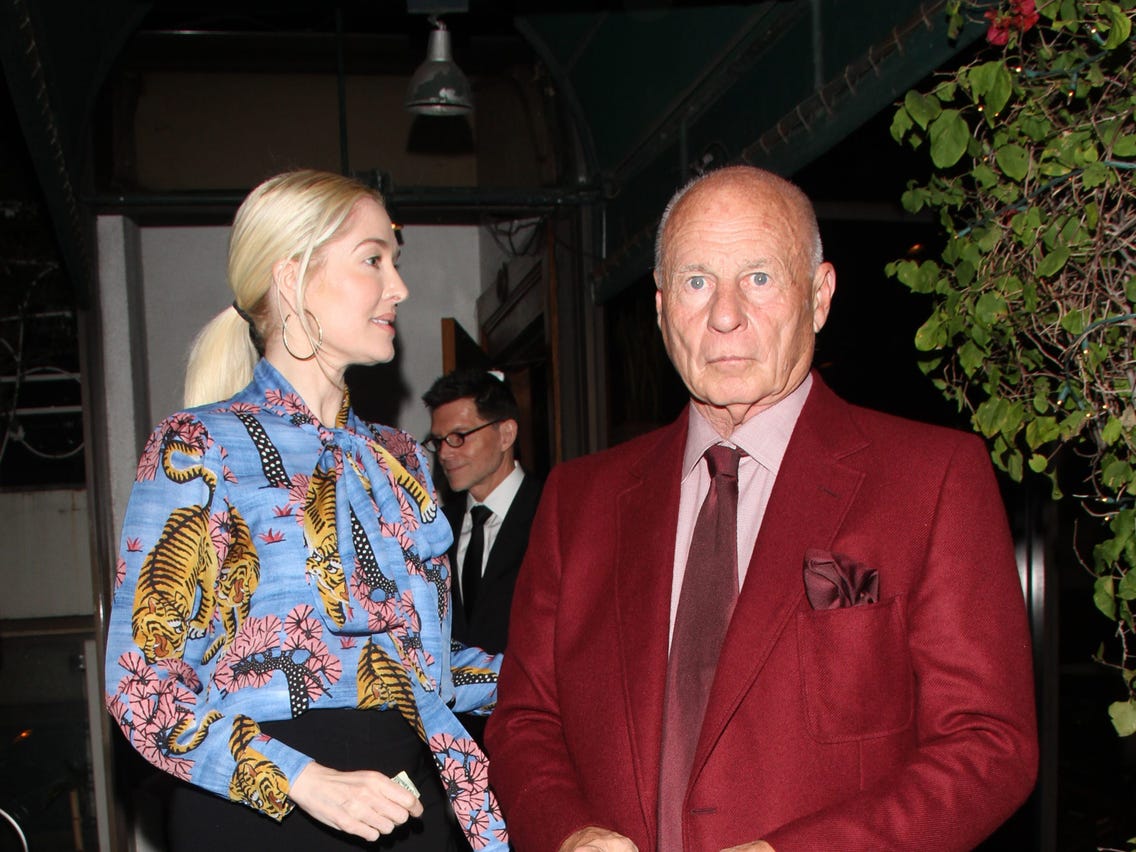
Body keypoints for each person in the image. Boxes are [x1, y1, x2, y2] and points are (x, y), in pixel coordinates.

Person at [484, 165, 1038, 852]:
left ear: (820, 297)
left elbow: (988, 744)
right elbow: (524, 721)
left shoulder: (932, 479)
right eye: (696, 282)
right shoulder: (579, 501)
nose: (725, 315)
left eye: (759, 277)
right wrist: (569, 834)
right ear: (661, 307)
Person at [103, 169, 508, 852]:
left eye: (396, 263)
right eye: (373, 259)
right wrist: (304, 779)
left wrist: (552, 678)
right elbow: (142, 687)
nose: (398, 287)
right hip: (263, 823)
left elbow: (430, 668)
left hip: (406, 814)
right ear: (291, 279)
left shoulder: (400, 459)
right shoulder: (198, 445)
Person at [421, 368, 543, 746]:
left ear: (506, 434)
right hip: (453, 749)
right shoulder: (433, 529)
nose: (445, 453)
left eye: (459, 437)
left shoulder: (555, 514)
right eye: (438, 441)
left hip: (533, 738)